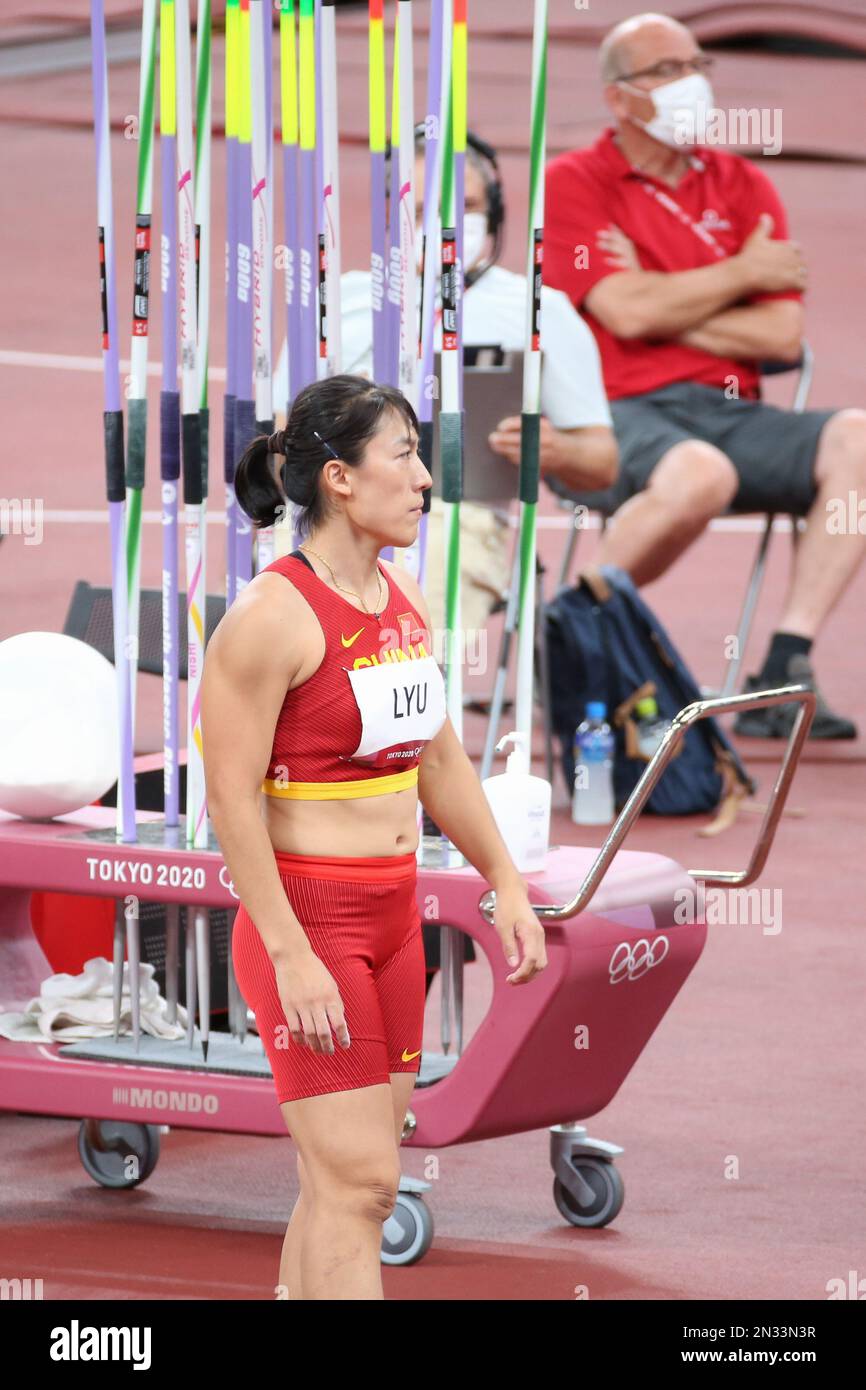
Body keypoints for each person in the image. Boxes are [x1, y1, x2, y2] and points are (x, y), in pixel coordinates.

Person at [200, 374, 547, 1301]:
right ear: (342, 479)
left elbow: (439, 763)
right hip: (307, 928)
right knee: (365, 1185)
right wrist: (290, 950)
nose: (427, 478)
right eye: (404, 456)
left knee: (338, 1186)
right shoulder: (269, 619)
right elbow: (230, 801)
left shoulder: (404, 599)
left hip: (396, 926)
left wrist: (504, 881)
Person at [544, 11, 866, 738]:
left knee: (858, 439)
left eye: (696, 66)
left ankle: (786, 665)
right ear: (620, 97)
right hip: (612, 411)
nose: (690, 83)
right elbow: (618, 315)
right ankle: (565, 642)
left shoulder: (743, 184)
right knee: (701, 475)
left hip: (729, 408)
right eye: (666, 70)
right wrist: (740, 274)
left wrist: (665, 300)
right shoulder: (575, 180)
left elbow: (781, 332)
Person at [274, 128, 617, 640]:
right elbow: (277, 450)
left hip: (459, 519)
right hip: (328, 513)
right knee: (280, 606)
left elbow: (602, 462)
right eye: (422, 209)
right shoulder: (338, 302)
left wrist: (555, 448)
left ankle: (405, 707)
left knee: (404, 617)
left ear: (495, 213)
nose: (446, 224)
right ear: (391, 217)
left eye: (467, 206)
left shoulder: (538, 310)